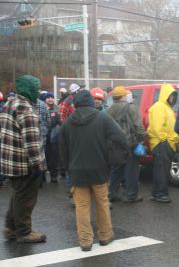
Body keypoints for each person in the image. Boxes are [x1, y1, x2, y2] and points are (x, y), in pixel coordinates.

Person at [58, 90, 128, 251]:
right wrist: (123, 151)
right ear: (91, 102)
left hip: (77, 170)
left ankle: (85, 241)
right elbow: (121, 137)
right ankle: (105, 235)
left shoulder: (68, 122)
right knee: (102, 203)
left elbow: (61, 148)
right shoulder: (102, 118)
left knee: (81, 206)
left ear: (75, 103)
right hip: (99, 168)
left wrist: (66, 167)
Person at [0, 75, 47, 243]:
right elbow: (32, 142)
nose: (38, 91)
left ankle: (10, 227)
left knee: (18, 195)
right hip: (23, 163)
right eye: (36, 88)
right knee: (26, 199)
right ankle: (24, 231)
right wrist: (38, 166)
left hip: (9, 162)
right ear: (30, 89)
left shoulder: (10, 103)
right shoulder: (26, 109)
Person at [108, 87, 147, 203]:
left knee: (116, 170)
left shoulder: (109, 110)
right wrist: (141, 139)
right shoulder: (131, 108)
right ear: (123, 96)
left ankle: (112, 194)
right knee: (132, 171)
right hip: (130, 144)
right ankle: (131, 195)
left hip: (114, 146)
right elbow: (139, 127)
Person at [147, 84, 179, 203]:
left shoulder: (167, 108)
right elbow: (157, 127)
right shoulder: (159, 107)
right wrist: (165, 140)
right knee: (161, 170)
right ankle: (160, 194)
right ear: (166, 95)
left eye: (174, 96)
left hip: (165, 143)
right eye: (171, 95)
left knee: (160, 169)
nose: (172, 98)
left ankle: (156, 193)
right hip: (161, 144)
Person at [42, 93, 59, 183]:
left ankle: (54, 175)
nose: (50, 99)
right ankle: (42, 176)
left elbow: (60, 121)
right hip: (43, 136)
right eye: (48, 98)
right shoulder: (42, 108)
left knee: (53, 156)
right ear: (45, 99)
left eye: (52, 97)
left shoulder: (57, 108)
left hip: (53, 137)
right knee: (43, 156)